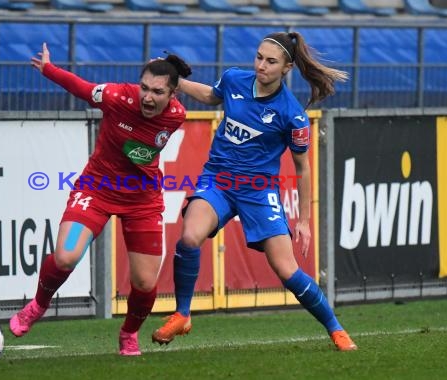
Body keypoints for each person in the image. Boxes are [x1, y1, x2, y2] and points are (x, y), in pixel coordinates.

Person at [151, 31, 358, 351]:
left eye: (271, 61)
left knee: (287, 270)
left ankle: (336, 330)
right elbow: (210, 95)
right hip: (218, 180)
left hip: (259, 192)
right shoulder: (234, 79)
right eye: (259, 57)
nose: (261, 65)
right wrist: (173, 82)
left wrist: (303, 220)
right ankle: (182, 314)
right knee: (190, 236)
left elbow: (302, 169)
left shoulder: (292, 114)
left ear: (286, 68)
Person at [9, 43, 192, 356]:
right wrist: (50, 69)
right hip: (97, 188)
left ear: (173, 94)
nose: (148, 97)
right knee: (66, 256)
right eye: (144, 88)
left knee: (146, 283)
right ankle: (37, 306)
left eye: (158, 92)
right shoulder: (116, 96)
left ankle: (128, 334)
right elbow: (81, 87)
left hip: (142, 199)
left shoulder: (177, 115)